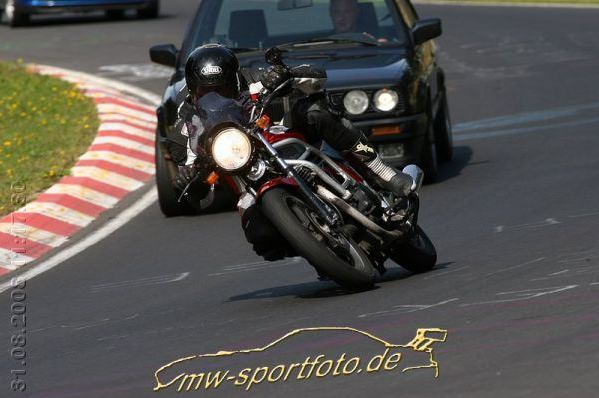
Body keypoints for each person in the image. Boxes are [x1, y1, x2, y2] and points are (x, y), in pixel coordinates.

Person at [174, 44, 413, 207]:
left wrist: (286, 75)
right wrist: (189, 180)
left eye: (223, 89)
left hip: (282, 141)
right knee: (260, 237)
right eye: (206, 91)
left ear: (234, 81)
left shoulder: (253, 79)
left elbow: (318, 79)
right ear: (194, 90)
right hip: (246, 176)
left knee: (316, 112)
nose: (217, 97)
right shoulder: (187, 123)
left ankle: (383, 171)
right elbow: (202, 200)